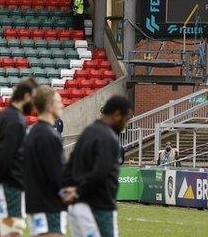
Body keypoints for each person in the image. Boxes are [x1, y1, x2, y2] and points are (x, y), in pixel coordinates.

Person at [61, 95, 133, 237]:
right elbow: (101, 172)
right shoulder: (108, 137)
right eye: (126, 119)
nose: (125, 124)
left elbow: (70, 164)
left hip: (77, 208)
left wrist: (65, 190)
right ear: (117, 115)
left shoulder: (88, 132)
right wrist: (78, 192)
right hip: (98, 206)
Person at [0, 77, 38, 237]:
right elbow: (4, 157)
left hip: (4, 185)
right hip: (10, 186)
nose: (34, 106)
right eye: (34, 100)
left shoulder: (5, 116)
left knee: (2, 231)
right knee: (12, 231)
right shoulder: (15, 120)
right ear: (27, 97)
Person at [24, 86, 67, 236]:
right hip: (49, 205)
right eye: (58, 101)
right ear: (49, 106)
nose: (62, 105)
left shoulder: (32, 133)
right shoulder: (49, 135)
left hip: (35, 203)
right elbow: (57, 176)